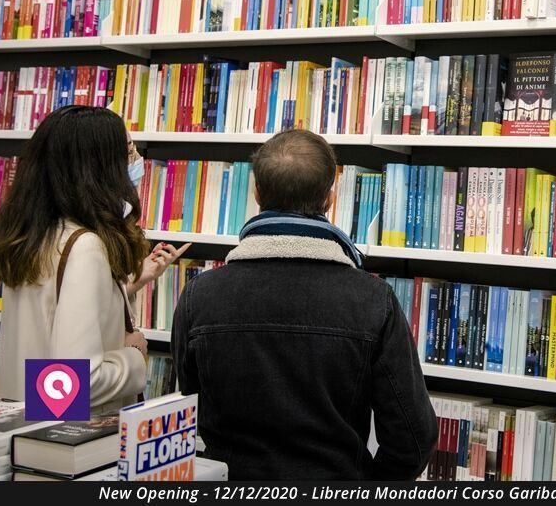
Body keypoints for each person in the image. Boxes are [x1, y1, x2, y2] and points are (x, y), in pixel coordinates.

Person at [171, 129, 438, 480]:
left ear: (256, 193)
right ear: (329, 198)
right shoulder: (373, 301)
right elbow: (413, 440)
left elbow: (189, 410)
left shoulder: (198, 296)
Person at [0, 105, 188, 413]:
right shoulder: (85, 247)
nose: (136, 162)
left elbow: (51, 316)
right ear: (100, 167)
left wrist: (127, 286)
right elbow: (71, 383)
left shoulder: (34, 236)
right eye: (129, 152)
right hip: (70, 439)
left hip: (25, 423)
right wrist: (133, 356)